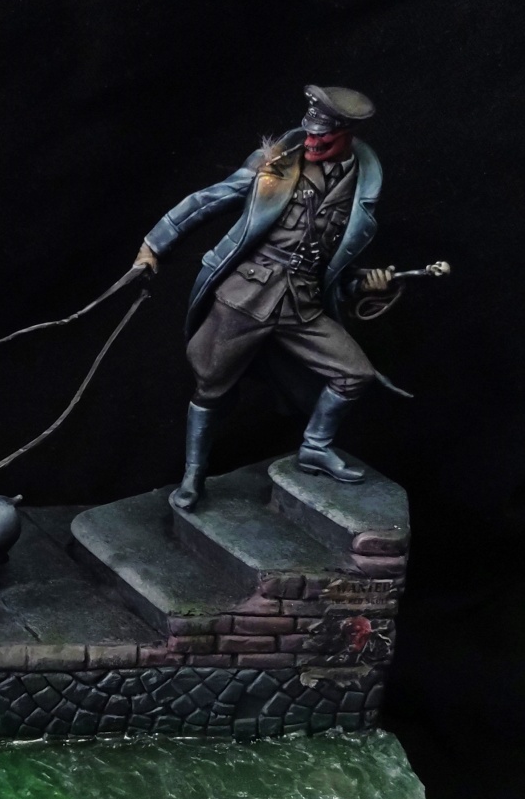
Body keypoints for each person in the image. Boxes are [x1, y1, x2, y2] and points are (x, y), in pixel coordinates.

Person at [133, 85, 399, 511]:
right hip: (246, 297)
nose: (312, 142)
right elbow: (207, 200)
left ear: (347, 134)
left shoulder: (361, 185)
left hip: (302, 305)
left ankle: (315, 446)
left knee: (355, 375)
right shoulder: (276, 165)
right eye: (310, 133)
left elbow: (332, 265)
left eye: (324, 138)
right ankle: (193, 476)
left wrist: (367, 284)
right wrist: (154, 245)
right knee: (210, 388)